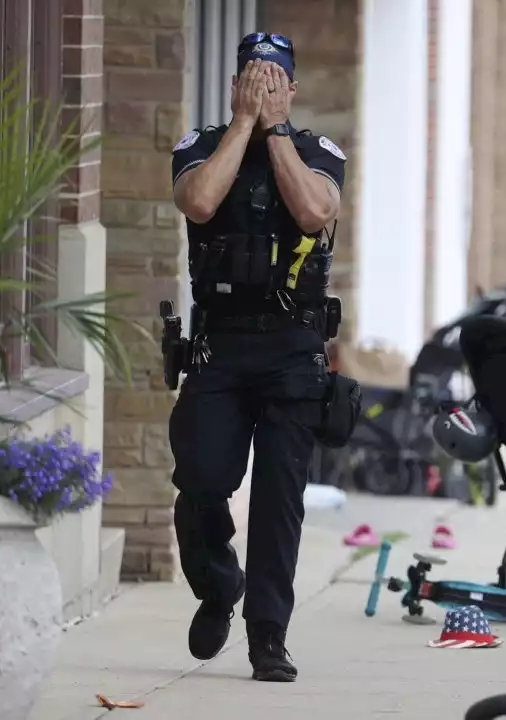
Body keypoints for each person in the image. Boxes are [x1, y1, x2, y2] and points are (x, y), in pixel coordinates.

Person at [167, 32, 347, 683]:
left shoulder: (316, 153)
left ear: (292, 89)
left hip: (292, 349)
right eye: (254, 77)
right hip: (221, 346)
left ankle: (268, 635)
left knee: (279, 500)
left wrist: (273, 131)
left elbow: (311, 211)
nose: (266, 86)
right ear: (238, 84)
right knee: (202, 480)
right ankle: (219, 586)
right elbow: (200, 202)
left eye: (276, 79)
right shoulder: (200, 145)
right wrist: (244, 124)